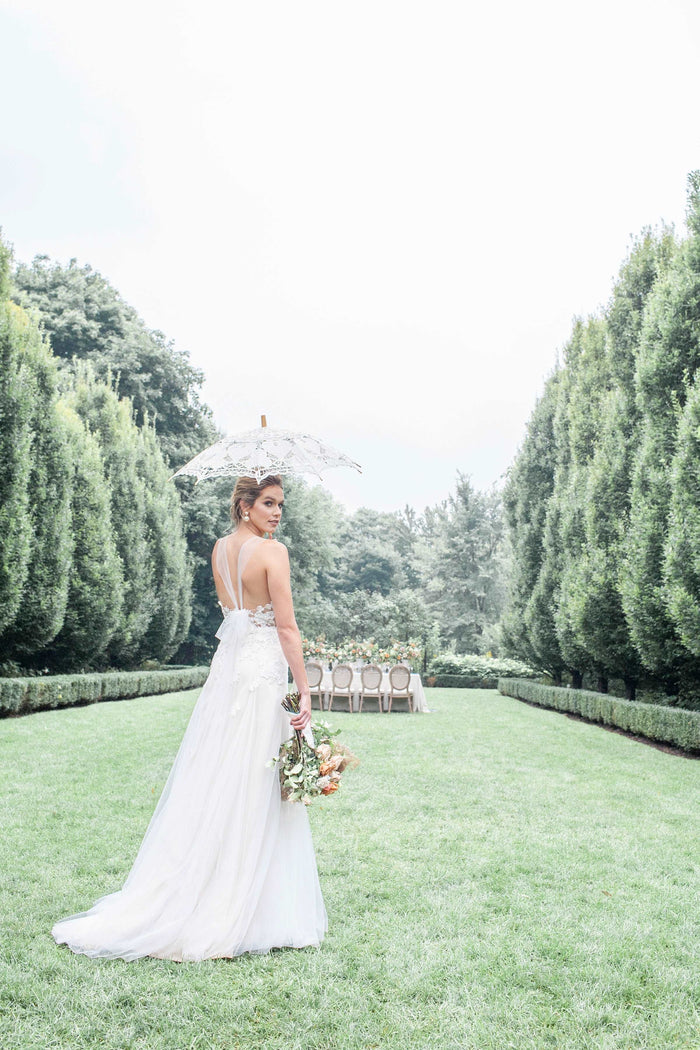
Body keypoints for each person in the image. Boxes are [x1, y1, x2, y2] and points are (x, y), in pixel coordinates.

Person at [52, 475, 327, 961]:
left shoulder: (220, 550)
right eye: (267, 503)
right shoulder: (273, 553)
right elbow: (285, 626)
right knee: (253, 780)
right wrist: (305, 689)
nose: (277, 512)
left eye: (280, 504)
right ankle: (248, 905)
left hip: (227, 676)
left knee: (219, 772)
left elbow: (234, 610)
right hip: (261, 676)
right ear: (244, 506)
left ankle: (205, 885)